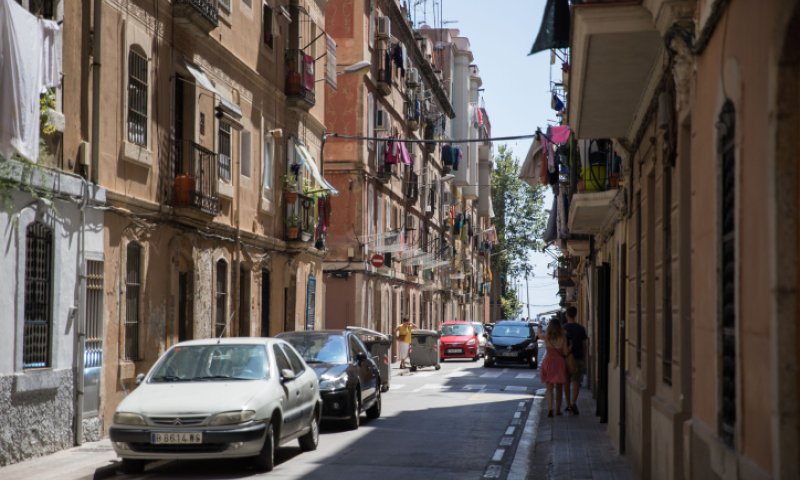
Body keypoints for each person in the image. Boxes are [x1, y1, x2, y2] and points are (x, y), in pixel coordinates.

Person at [539, 318, 568, 417]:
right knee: (559, 388)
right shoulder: (563, 337)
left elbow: (538, 334)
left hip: (549, 361)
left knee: (549, 388)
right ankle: (558, 410)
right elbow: (565, 352)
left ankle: (550, 409)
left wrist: (539, 325)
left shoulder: (547, 336)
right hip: (559, 363)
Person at [563, 306, 588, 415]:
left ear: (567, 315)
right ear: (576, 314)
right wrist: (584, 358)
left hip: (565, 359)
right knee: (576, 382)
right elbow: (584, 345)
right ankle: (573, 403)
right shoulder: (581, 328)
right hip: (578, 358)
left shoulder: (563, 328)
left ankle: (568, 404)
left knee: (566, 382)